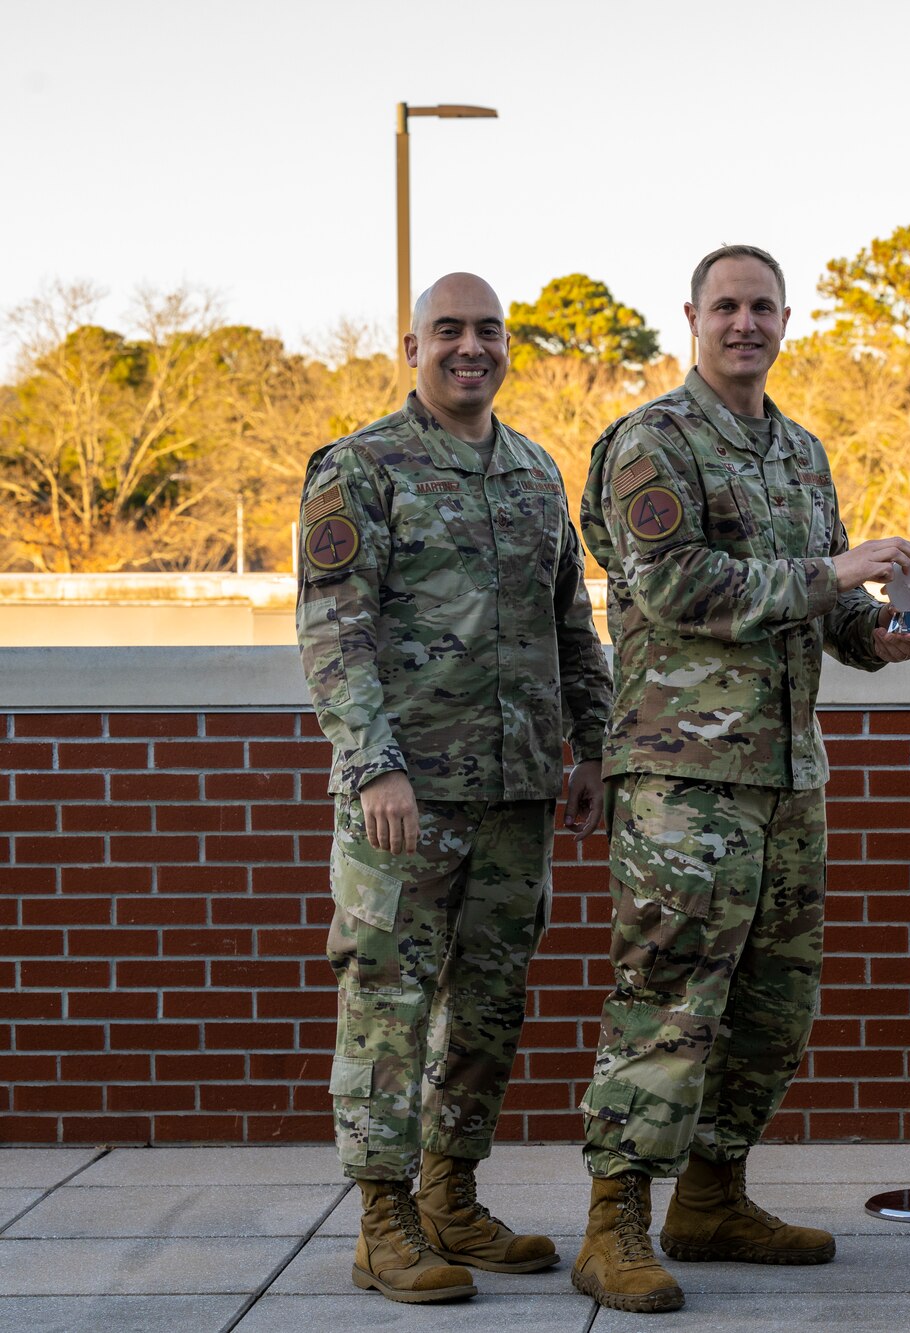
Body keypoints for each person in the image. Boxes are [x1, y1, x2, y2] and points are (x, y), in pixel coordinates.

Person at [568, 244, 910, 1314]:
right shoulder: (652, 443)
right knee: (666, 999)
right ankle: (613, 1221)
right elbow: (674, 583)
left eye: (761, 306)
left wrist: (892, 634)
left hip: (785, 777)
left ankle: (713, 1196)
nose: (743, 323)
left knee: (774, 1006)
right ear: (691, 316)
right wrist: (831, 574)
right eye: (725, 305)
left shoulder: (802, 454)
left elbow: (825, 611)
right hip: (683, 778)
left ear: (785, 320)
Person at [296, 272, 612, 1304]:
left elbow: (572, 625)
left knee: (488, 1006)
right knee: (386, 1003)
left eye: (485, 331)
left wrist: (594, 748)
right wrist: (374, 764)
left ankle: (450, 1196)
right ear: (412, 345)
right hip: (407, 794)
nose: (468, 347)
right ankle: (381, 1222)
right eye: (448, 331)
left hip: (515, 790)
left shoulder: (532, 472)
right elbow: (334, 634)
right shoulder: (361, 468)